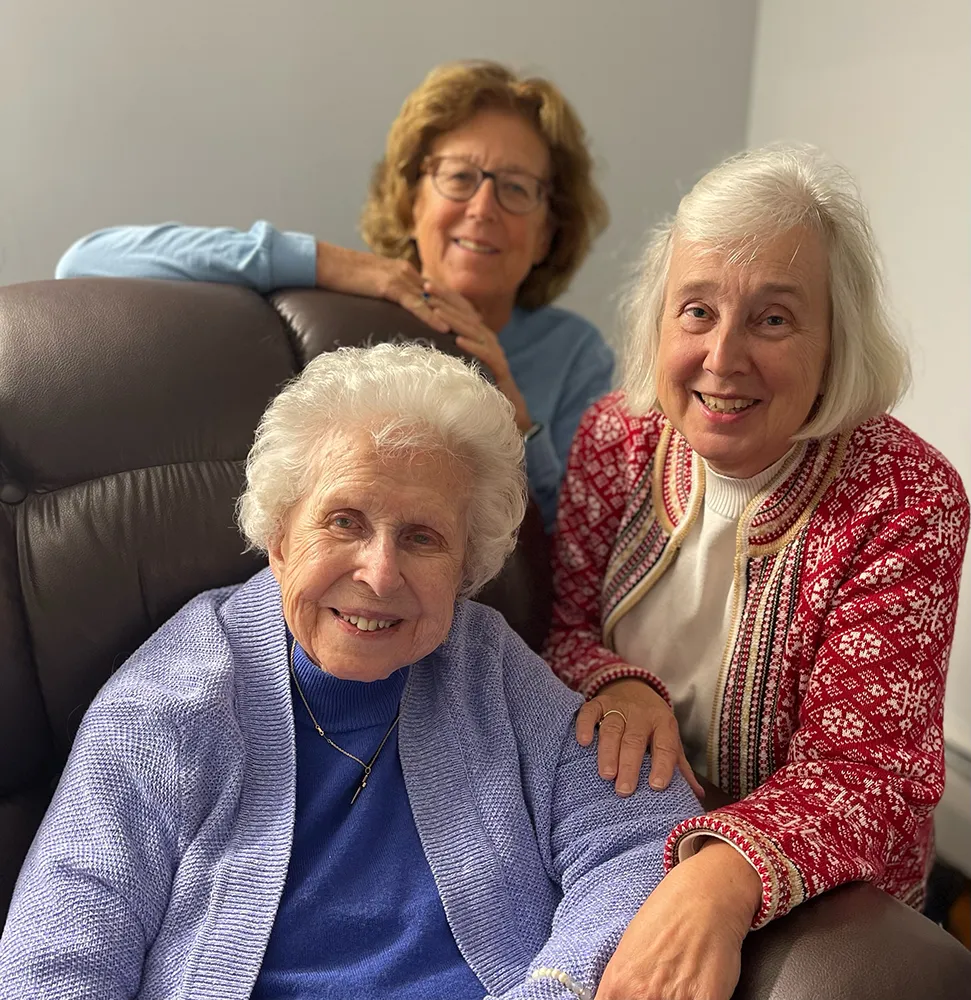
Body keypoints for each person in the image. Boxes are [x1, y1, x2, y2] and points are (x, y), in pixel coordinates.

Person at [0, 343, 700, 1000]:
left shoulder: (486, 665)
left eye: (422, 537)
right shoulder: (171, 698)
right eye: (343, 521)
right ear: (278, 536)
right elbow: (57, 953)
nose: (380, 572)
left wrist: (557, 985)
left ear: (465, 567)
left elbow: (640, 836)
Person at [545, 144, 970, 999]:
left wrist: (718, 875)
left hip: (811, 884)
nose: (722, 357)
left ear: (833, 336)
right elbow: (559, 633)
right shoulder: (612, 439)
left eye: (772, 319)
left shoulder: (905, 496)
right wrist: (616, 683)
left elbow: (867, 775)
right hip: (612, 835)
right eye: (695, 311)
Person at [55, 60, 614, 533]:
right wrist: (329, 264)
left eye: (516, 188)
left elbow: (583, 550)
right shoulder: (339, 311)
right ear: (412, 200)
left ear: (547, 231)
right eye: (459, 177)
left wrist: (517, 419)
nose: (483, 207)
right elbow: (85, 262)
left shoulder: (575, 351)